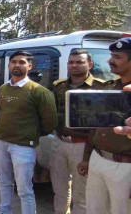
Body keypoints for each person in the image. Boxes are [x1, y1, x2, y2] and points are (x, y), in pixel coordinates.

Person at [0, 51, 57, 214]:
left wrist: (29, 134)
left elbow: (49, 124)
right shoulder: (3, 89)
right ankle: (5, 209)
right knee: (4, 181)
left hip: (23, 147)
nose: (17, 65)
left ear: (30, 66)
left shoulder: (39, 92)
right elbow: (2, 113)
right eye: (14, 62)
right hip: (0, 142)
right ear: (9, 65)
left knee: (24, 189)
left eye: (21, 62)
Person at [77, 38, 131, 214]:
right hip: (98, 158)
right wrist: (87, 157)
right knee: (94, 209)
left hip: (124, 167)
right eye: (111, 56)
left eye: (117, 57)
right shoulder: (107, 88)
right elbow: (94, 127)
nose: (110, 61)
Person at [51, 49, 104, 214]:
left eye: (79, 62)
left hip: (83, 146)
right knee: (59, 190)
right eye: (71, 62)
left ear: (90, 64)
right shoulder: (59, 87)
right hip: (59, 142)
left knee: (81, 194)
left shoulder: (99, 88)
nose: (74, 65)